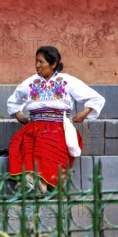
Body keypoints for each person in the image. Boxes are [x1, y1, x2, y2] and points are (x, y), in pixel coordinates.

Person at [7, 45, 105, 193]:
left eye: (41, 62)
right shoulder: (29, 82)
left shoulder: (67, 81)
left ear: (53, 64)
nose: (37, 65)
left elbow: (95, 98)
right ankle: (29, 180)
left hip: (57, 126)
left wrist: (84, 113)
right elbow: (13, 102)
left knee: (46, 143)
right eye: (36, 61)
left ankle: (40, 184)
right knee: (20, 142)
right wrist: (19, 115)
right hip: (33, 126)